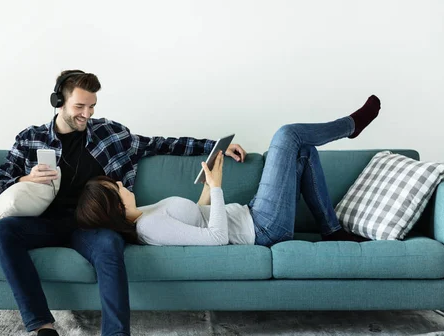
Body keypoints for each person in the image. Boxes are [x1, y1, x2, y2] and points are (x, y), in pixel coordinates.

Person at [0, 69, 247, 336]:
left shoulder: (110, 134)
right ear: (59, 101)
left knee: (110, 243)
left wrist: (215, 148)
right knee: (3, 231)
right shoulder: (30, 140)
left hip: (93, 226)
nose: (87, 114)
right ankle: (44, 331)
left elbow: (161, 144)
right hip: (46, 222)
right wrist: (24, 178)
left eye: (92, 106)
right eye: (79, 107)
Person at [74, 96, 381, 247]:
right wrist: (218, 187)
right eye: (115, 187)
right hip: (261, 230)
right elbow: (218, 238)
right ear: (115, 205)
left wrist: (209, 180)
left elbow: (197, 214)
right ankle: (351, 127)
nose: (119, 182)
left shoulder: (143, 214)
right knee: (288, 135)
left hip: (253, 216)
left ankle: (332, 230)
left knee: (303, 151)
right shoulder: (148, 229)